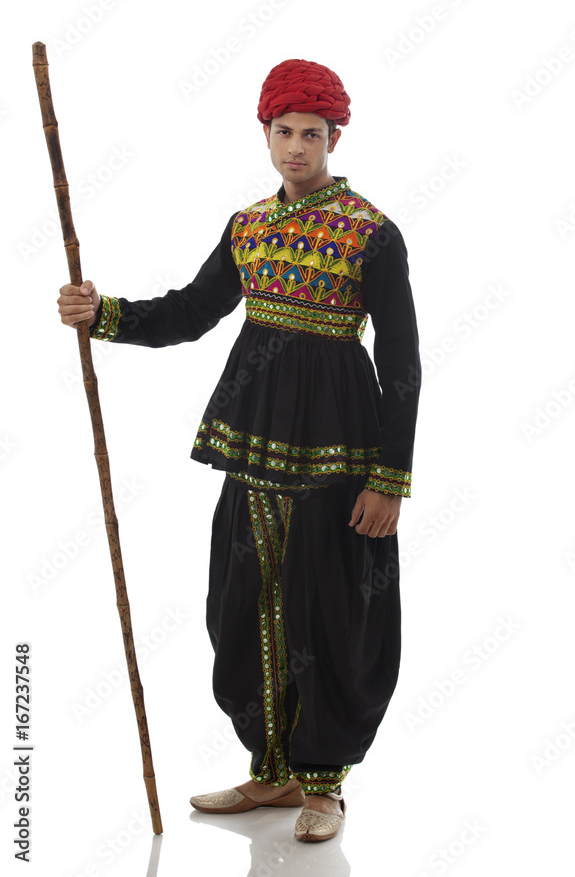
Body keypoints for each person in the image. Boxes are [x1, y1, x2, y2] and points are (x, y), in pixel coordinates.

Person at [57, 57, 421, 843]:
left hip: (339, 452)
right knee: (242, 602)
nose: (296, 147)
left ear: (333, 138)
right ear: (265, 134)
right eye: (284, 131)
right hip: (255, 442)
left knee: (332, 609)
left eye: (311, 134)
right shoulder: (248, 227)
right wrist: (104, 314)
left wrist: (389, 479)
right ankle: (273, 769)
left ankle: (322, 785)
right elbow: (192, 311)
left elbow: (401, 359)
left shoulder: (371, 233)